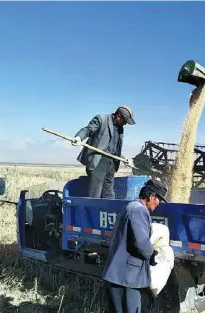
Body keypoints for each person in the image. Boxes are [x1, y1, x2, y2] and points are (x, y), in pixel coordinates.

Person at [102, 179, 169, 313]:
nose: (159, 204)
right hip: (127, 277)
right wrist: (153, 253)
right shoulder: (139, 211)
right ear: (151, 196)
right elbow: (142, 244)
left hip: (121, 275)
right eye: (159, 200)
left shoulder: (131, 206)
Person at [71, 106, 135, 199]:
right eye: (124, 121)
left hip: (111, 164)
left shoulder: (120, 129)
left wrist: (124, 159)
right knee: (95, 194)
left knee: (109, 195)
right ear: (118, 116)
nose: (125, 124)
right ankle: (92, 212)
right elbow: (87, 130)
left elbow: (114, 149)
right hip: (98, 162)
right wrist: (79, 137)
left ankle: (107, 211)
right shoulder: (101, 119)